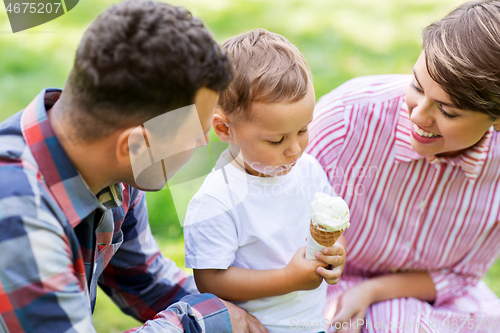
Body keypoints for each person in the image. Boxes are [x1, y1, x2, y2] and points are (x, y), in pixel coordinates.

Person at [0, 1, 270, 332]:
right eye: (196, 134)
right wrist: (202, 322)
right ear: (137, 145)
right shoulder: (16, 212)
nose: (204, 143)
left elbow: (145, 280)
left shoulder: (113, 169)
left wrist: (259, 310)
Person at [306, 1, 500, 332]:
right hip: (319, 288)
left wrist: (374, 292)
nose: (417, 116)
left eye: (448, 111)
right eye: (416, 86)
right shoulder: (345, 121)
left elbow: (458, 276)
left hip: (432, 302)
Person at [183, 29, 347, 333]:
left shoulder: (308, 169)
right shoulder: (217, 200)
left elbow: (331, 232)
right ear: (224, 130)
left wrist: (336, 253)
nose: (294, 149)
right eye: (275, 140)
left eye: (302, 130)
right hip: (258, 327)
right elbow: (210, 279)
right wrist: (288, 278)